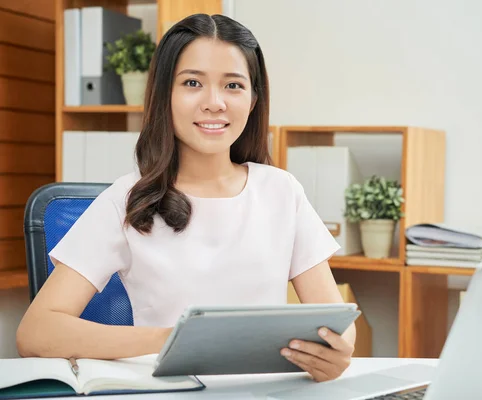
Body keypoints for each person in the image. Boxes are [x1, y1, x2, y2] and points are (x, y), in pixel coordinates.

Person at [16, 13, 356, 382]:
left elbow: (337, 323)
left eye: (233, 85)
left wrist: (336, 354)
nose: (214, 103)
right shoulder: (128, 201)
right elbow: (36, 333)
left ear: (254, 99)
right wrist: (175, 339)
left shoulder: (281, 191)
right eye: (192, 82)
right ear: (165, 94)